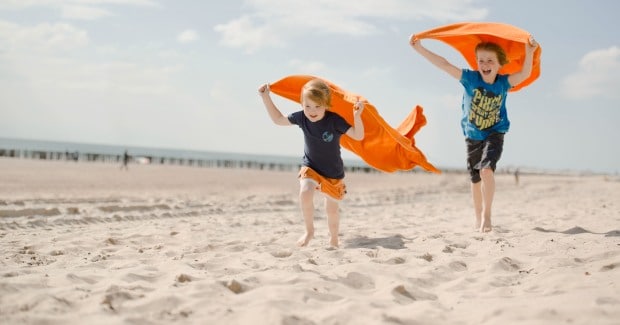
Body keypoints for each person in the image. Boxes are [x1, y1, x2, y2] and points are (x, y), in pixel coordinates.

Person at [409, 34, 538, 233]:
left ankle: (487, 217)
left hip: (495, 132)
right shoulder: (470, 78)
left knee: (486, 171)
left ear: (499, 64)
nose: (485, 64)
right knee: (475, 179)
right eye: (481, 60)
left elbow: (525, 74)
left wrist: (529, 52)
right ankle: (477, 217)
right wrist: (419, 48)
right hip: (472, 135)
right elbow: (444, 64)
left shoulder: (503, 83)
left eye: (490, 60)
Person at [258, 78, 365, 248]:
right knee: (306, 192)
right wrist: (265, 97)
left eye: (317, 106)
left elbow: (358, 135)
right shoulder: (302, 118)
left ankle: (334, 239)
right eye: (307, 106)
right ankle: (309, 231)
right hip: (311, 167)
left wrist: (357, 116)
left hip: (333, 173)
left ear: (326, 104)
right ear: (302, 103)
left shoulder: (334, 120)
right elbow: (278, 119)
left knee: (332, 210)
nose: (312, 111)